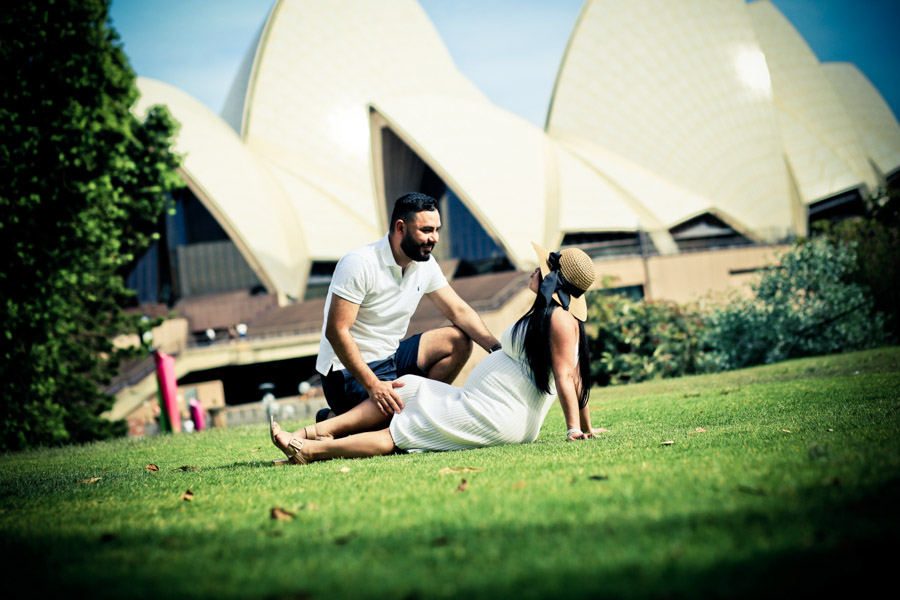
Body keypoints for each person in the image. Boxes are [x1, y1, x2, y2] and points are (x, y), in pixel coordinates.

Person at [270, 242, 601, 465]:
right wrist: (584, 424)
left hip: (498, 415)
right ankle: (317, 431)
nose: (534, 270)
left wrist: (574, 428)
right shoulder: (547, 315)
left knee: (399, 431)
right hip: (490, 407)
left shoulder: (559, 319)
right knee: (409, 387)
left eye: (541, 268)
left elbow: (567, 375)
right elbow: (575, 371)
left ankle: (312, 449)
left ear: (553, 280)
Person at [314, 192, 501, 421]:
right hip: (347, 374)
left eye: (437, 229)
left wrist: (497, 349)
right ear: (401, 228)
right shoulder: (359, 263)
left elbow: (458, 310)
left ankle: (412, 413)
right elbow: (337, 331)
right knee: (394, 425)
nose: (435, 238)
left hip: (390, 358)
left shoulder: (426, 265)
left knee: (457, 342)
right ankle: (334, 418)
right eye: (426, 230)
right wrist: (374, 385)